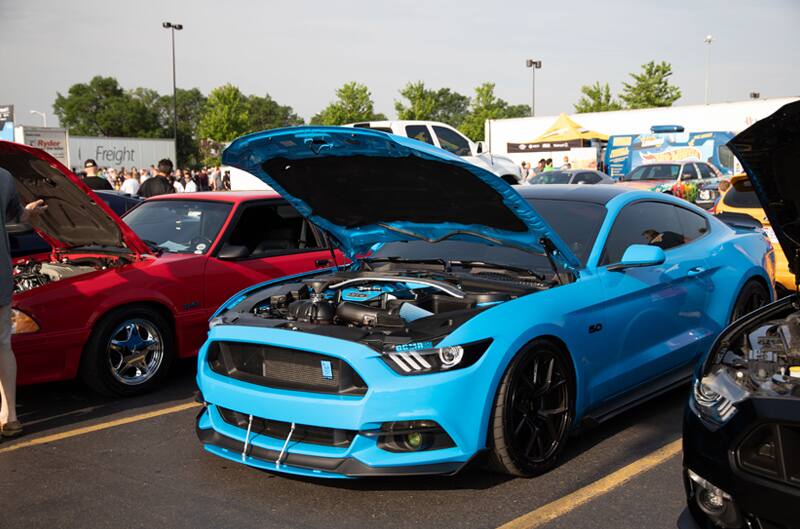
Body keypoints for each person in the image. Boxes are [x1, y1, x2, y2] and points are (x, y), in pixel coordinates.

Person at [0, 167, 47, 438]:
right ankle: (10, 417)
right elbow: (18, 219)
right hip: (1, 274)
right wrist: (29, 211)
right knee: (3, 344)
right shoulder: (5, 176)